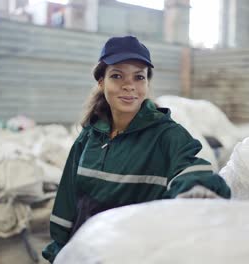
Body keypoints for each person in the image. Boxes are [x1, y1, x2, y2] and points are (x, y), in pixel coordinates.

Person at [42, 36, 231, 263]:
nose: (129, 85)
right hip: (86, 254)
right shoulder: (89, 136)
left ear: (147, 84)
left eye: (139, 77)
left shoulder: (166, 134)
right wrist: (58, 251)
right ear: (101, 82)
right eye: (117, 75)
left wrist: (196, 187)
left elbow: (190, 167)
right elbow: (68, 201)